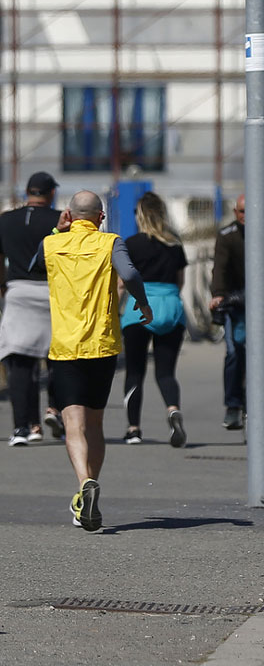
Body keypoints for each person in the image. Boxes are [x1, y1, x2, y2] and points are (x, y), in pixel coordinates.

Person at [32, 191, 153, 531]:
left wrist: (57, 232)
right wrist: (142, 304)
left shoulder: (51, 244)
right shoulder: (110, 242)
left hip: (65, 346)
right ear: (101, 217)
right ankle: (88, 486)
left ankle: (84, 483)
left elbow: (30, 265)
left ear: (69, 215)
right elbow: (129, 275)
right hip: (102, 344)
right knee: (96, 424)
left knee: (74, 423)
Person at [209, 194, 264, 430]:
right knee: (234, 353)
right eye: (242, 212)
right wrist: (218, 294)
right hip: (235, 300)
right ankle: (233, 406)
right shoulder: (227, 236)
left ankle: (262, 404)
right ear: (235, 213)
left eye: (250, 212)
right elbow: (219, 268)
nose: (246, 217)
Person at [120, 192, 189, 448]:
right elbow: (180, 282)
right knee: (166, 372)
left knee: (135, 371)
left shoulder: (132, 243)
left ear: (140, 215)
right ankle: (172, 409)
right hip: (170, 306)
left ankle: (133, 429)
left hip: (140, 306)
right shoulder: (175, 244)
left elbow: (122, 281)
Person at [0, 172, 62, 446]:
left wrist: (4, 287)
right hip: (53, 292)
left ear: (27, 192)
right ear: (50, 194)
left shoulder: (6, 221)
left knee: (20, 361)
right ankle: (54, 409)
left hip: (18, 292)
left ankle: (22, 428)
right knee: (58, 357)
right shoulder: (60, 220)